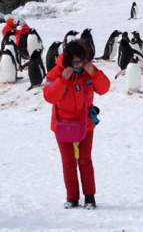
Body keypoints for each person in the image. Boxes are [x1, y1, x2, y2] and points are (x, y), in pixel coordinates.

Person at [43, 41, 110, 209]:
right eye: (74, 62)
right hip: (63, 125)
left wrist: (94, 73)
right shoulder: (56, 73)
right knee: (68, 162)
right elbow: (50, 96)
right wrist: (62, 80)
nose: (78, 65)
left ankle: (89, 197)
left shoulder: (88, 71)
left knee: (85, 160)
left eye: (80, 61)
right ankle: (72, 197)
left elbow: (104, 88)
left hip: (85, 124)